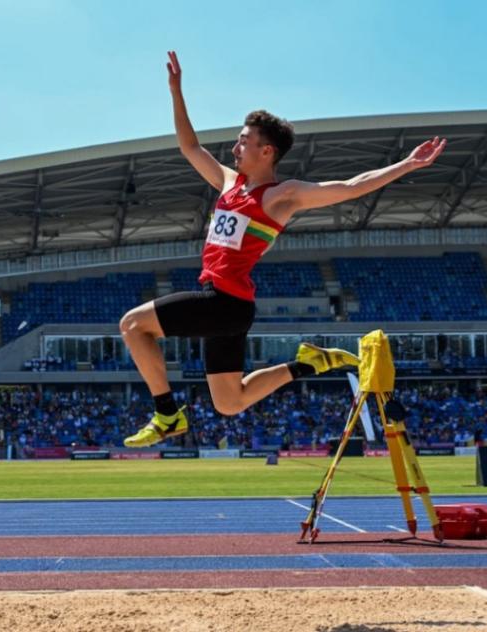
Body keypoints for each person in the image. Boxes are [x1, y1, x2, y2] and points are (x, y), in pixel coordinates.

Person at [122, 51, 446, 447]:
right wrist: (176, 91)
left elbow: (350, 187)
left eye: (243, 142)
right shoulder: (229, 183)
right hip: (230, 307)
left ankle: (167, 413)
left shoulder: (281, 196)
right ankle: (308, 363)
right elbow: (190, 147)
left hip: (223, 301)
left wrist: (406, 165)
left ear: (267, 151)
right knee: (230, 401)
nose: (234, 148)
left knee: (133, 325)